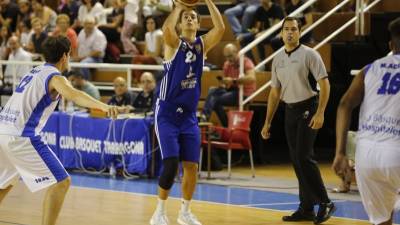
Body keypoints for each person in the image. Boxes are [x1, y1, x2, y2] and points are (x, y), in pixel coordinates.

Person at [0, 36, 118, 225]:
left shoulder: (34, 71)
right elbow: (74, 94)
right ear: (65, 56)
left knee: (4, 183)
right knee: (61, 181)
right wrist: (103, 106)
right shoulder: (55, 76)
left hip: (3, 130)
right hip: (21, 135)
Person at [150, 0, 225, 224]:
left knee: (192, 166)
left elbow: (220, 28)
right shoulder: (173, 45)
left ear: (198, 23)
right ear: (181, 24)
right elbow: (166, 30)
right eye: (186, 17)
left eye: (193, 17)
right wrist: (179, 7)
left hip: (189, 116)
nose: (190, 19)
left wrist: (209, 1)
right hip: (167, 113)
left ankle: (185, 213)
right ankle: (159, 212)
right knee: (172, 164)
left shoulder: (202, 45)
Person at [261, 17, 335, 224]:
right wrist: (267, 122)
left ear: (300, 33)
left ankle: (325, 202)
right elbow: (275, 93)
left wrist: (320, 112)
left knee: (303, 156)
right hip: (290, 111)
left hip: (309, 108)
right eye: (287, 29)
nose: (290, 33)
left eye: (294, 29)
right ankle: (306, 208)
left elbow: (325, 85)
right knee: (296, 160)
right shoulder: (277, 59)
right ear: (281, 33)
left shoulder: (310, 55)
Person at [333, 17, 400, 225]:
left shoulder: (369, 69)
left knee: (382, 221)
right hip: (397, 151)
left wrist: (341, 152)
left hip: (367, 157)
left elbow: (344, 104)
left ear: (391, 45)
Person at [201, 43, 256, 127]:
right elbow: (227, 85)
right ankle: (205, 117)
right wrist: (224, 83)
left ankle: (221, 123)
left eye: (230, 56)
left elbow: (252, 78)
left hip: (244, 93)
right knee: (212, 90)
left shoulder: (245, 61)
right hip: (232, 90)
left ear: (236, 52)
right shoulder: (227, 64)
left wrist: (233, 81)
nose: (228, 59)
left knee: (214, 100)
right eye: (226, 56)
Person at [74, 15, 107, 80]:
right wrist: (76, 56)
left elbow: (98, 52)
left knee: (83, 64)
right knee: (69, 62)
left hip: (96, 59)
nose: (88, 26)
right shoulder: (82, 32)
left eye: (91, 24)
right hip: (81, 57)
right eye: (87, 23)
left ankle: (86, 84)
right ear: (83, 24)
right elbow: (77, 45)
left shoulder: (99, 35)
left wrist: (82, 58)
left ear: (94, 24)